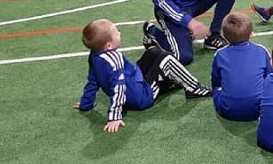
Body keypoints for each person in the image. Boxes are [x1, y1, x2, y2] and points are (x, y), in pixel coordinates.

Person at [76, 19, 211, 134]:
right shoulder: (114, 58)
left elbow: (92, 80)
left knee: (153, 52)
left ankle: (169, 81)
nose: (119, 33)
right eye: (116, 33)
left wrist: (85, 103)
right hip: (141, 96)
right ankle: (194, 88)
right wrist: (115, 116)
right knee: (166, 59)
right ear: (109, 45)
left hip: (135, 80)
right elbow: (119, 86)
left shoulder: (94, 55)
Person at [211, 12, 273, 121]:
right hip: (259, 109)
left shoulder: (220, 54)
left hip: (228, 110)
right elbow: (270, 77)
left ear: (225, 37)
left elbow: (216, 81)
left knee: (217, 89)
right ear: (251, 34)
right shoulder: (261, 51)